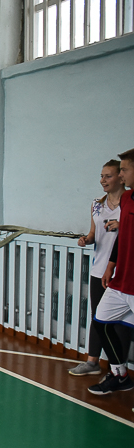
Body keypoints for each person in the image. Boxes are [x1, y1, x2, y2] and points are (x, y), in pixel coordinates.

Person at [69, 160, 130, 376]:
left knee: (121, 322)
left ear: (120, 178)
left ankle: (117, 369)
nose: (103, 180)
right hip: (100, 269)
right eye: (101, 176)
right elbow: (94, 233)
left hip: (122, 271)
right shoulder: (97, 204)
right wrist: (86, 239)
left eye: (108, 176)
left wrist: (122, 225)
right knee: (98, 317)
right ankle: (92, 362)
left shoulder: (129, 203)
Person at [90, 148, 134, 404]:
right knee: (101, 321)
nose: (122, 174)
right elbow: (123, 236)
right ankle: (120, 375)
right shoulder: (127, 198)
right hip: (121, 281)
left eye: (125, 170)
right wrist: (111, 265)